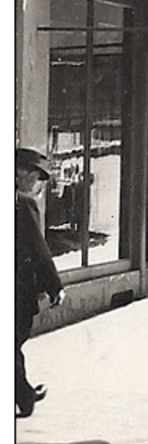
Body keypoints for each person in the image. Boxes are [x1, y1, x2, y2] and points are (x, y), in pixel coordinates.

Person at [16, 148, 62, 419]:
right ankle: (23, 395)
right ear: (24, 174)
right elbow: (38, 250)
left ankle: (23, 393)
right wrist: (55, 287)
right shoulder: (22, 203)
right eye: (37, 179)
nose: (37, 186)